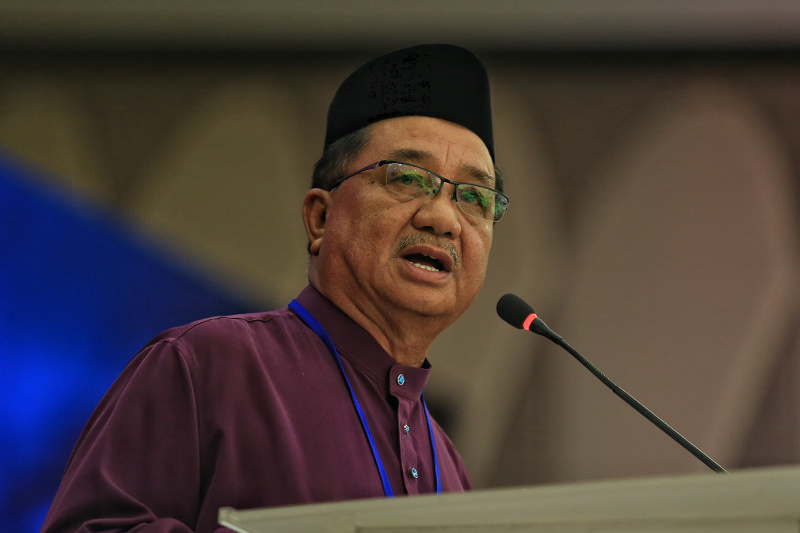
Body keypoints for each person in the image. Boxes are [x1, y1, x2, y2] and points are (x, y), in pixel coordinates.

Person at [41, 43, 509, 533]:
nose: (442, 219)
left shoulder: (448, 463)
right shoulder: (203, 364)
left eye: (476, 197)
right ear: (321, 218)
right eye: (408, 177)